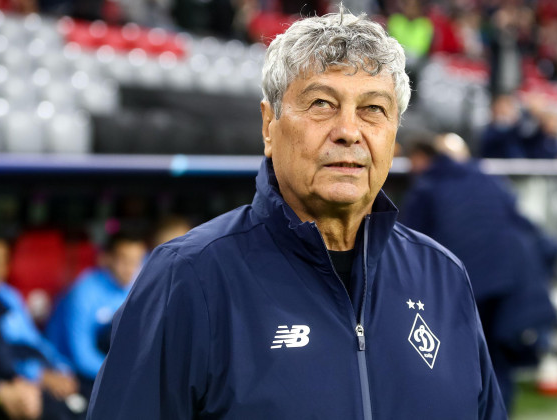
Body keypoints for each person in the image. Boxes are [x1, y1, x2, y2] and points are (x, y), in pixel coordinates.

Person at [87, 9, 506, 419]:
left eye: (373, 109)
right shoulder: (189, 277)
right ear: (269, 126)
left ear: (395, 131)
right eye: (322, 103)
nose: (348, 131)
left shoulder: (444, 277)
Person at [400, 140, 557, 412]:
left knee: (466, 359)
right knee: (496, 360)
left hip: (469, 283)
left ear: (423, 158)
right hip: (513, 280)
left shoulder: (427, 189)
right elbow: (529, 228)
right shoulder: (488, 179)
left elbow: (402, 243)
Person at [45, 232, 146, 398]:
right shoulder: (83, 292)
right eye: (124, 260)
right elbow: (81, 355)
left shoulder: (138, 287)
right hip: (70, 370)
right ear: (106, 258)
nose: (131, 268)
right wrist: (123, 376)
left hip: (113, 370)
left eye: (136, 261)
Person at [0, 238, 80, 406]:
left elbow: (34, 340)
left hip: (35, 370)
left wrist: (61, 368)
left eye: (2, 261)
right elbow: (3, 356)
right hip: (14, 378)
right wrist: (38, 375)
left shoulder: (9, 296)